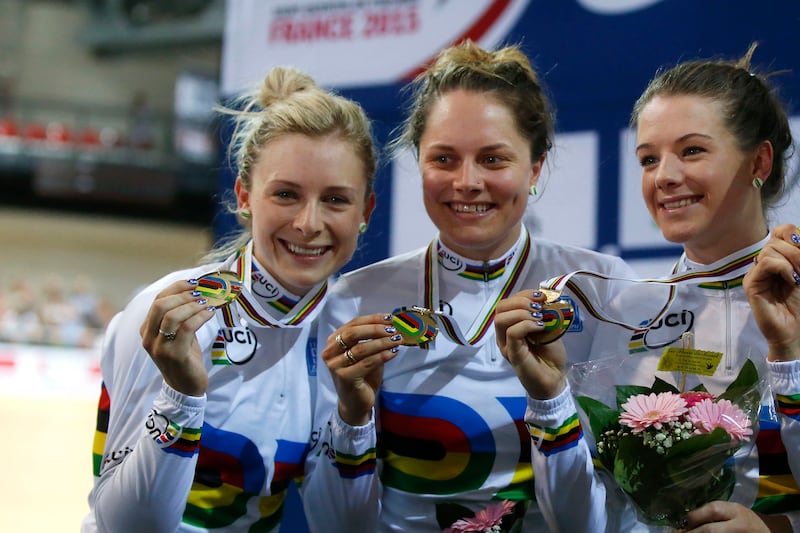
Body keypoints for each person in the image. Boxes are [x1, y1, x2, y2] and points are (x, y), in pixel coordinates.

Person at [316, 40, 634, 532]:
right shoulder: (355, 301)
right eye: (443, 159)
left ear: (535, 169)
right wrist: (353, 420)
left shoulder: (606, 291)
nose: (466, 182)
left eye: (492, 159)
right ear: (417, 163)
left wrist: (551, 403)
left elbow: (596, 524)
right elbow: (337, 527)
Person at [495, 44, 800, 531]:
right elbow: (581, 524)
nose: (665, 177)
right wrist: (550, 401)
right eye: (648, 158)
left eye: (692, 150)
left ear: (758, 163)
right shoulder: (626, 308)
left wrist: (775, 531)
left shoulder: (796, 299)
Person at [81, 66, 379, 532]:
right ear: (244, 197)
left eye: (336, 200)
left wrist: (355, 418)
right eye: (285, 194)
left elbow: (343, 526)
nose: (308, 223)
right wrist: (182, 397)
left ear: (365, 212)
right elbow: (124, 526)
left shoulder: (346, 333)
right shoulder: (172, 312)